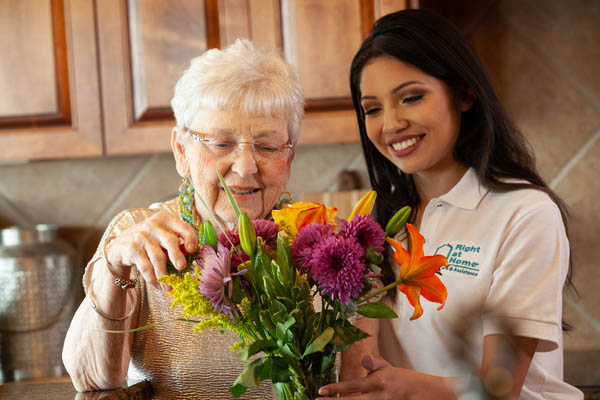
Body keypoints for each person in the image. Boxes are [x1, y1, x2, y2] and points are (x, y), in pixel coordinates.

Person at [318, 9, 583, 400]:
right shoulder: (380, 223)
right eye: (373, 108)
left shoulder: (524, 214)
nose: (390, 124)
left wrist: (406, 388)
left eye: (411, 97)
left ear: (463, 93)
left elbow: (501, 386)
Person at [62, 39, 303, 400]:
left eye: (267, 146)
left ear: (290, 156)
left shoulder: (318, 243)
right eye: (221, 143)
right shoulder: (138, 237)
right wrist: (114, 265)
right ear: (181, 151)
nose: (245, 167)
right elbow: (93, 379)